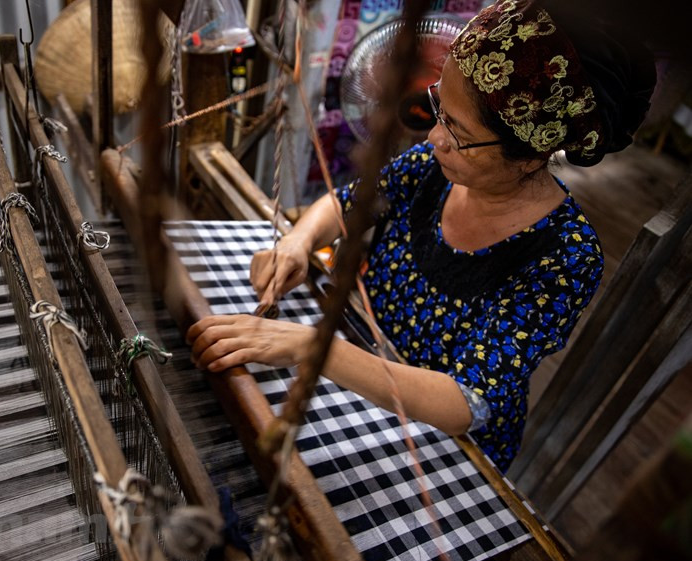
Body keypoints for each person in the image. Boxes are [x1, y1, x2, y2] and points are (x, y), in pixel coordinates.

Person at [186, 0, 656, 472]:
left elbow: (466, 403)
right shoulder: (432, 168)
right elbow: (344, 204)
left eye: (457, 130)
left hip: (443, 444)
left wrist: (312, 348)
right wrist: (296, 243)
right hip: (365, 365)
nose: (434, 137)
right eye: (439, 108)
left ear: (531, 155)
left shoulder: (566, 256)